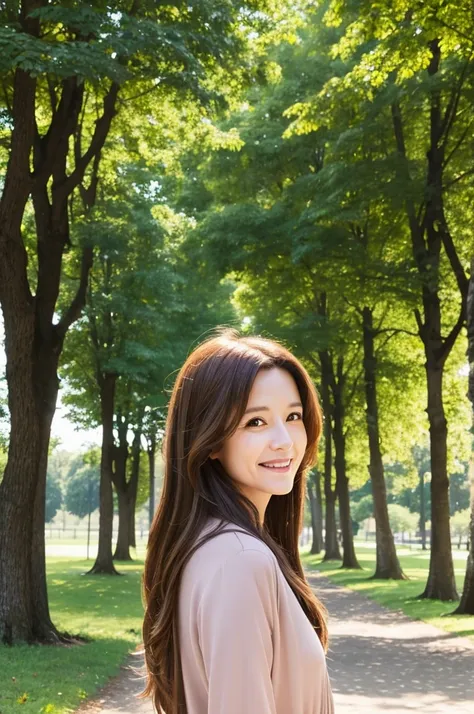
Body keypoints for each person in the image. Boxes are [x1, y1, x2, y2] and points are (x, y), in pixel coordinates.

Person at [136, 327, 334, 714]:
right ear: (210, 441)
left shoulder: (213, 547)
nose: (284, 440)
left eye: (293, 416)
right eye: (255, 422)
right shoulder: (240, 561)